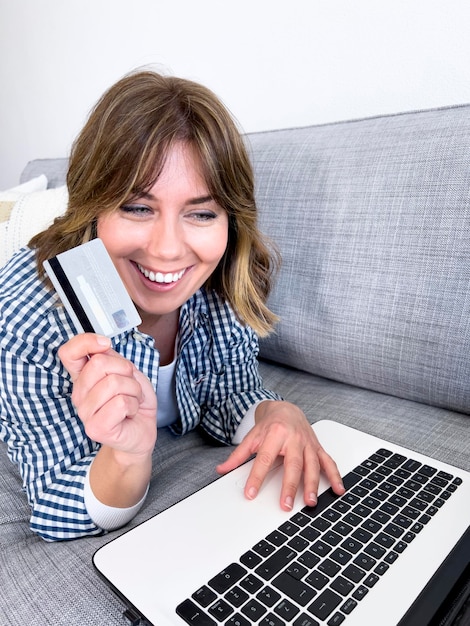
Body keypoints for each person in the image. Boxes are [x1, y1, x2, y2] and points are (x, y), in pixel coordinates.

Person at [0, 70, 344, 541]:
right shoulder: (28, 319)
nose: (166, 250)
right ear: (92, 207)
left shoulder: (219, 279)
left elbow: (230, 391)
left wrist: (274, 414)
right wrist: (127, 455)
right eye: (137, 208)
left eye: (201, 214)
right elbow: (57, 500)